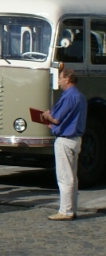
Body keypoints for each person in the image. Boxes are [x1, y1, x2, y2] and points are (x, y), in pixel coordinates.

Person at [42, 68, 87, 221]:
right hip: (75, 138)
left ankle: (65, 211)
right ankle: (71, 208)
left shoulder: (68, 96)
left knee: (65, 177)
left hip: (65, 140)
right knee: (72, 177)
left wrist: (47, 115)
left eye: (60, 78)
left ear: (67, 79)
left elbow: (56, 118)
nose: (59, 82)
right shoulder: (79, 96)